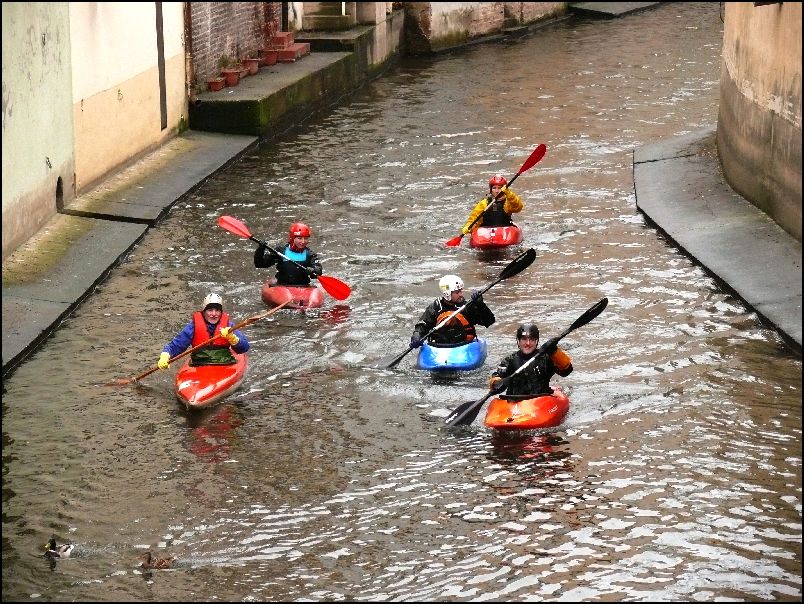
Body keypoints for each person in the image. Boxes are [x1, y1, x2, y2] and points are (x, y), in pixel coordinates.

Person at [157, 293, 249, 369]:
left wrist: (232, 338)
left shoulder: (229, 326)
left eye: (217, 310)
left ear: (221, 312)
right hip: (199, 365)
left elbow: (244, 348)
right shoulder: (193, 327)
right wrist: (165, 355)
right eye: (210, 310)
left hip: (225, 363)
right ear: (204, 311)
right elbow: (177, 345)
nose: (214, 314)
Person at [409, 275, 495, 348]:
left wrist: (480, 305)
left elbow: (489, 321)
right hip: (439, 347)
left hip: (464, 346)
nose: (461, 294)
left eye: (461, 291)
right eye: (457, 292)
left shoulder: (466, 306)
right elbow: (423, 325)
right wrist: (417, 335)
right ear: (447, 294)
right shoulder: (435, 308)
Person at [488, 323, 572, 396]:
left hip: (541, 401)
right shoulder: (510, 360)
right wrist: (497, 382)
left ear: (536, 341)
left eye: (531, 339)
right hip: (515, 401)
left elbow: (566, 371)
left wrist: (555, 351)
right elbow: (496, 378)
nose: (528, 343)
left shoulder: (546, 358)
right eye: (524, 339)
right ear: (518, 341)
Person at [253, 222, 323, 287]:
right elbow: (260, 264)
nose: (303, 241)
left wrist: (313, 270)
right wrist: (260, 249)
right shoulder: (280, 251)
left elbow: (318, 270)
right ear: (292, 238)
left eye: (306, 238)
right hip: (282, 286)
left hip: (303, 286)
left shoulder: (310, 254)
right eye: (299, 238)